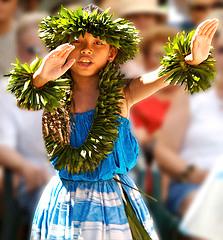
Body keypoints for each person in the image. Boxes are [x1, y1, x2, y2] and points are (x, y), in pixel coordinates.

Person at [6, 4, 218, 240]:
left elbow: (157, 77)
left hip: (112, 202)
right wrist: (42, 76)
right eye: (78, 42)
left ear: (112, 53)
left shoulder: (122, 94)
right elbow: (25, 95)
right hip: (65, 201)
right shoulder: (51, 91)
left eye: (98, 43)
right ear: (62, 48)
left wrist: (189, 60)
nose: (87, 50)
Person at [154, 16, 223, 240]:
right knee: (207, 208)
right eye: (222, 50)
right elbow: (163, 151)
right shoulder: (192, 94)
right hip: (194, 186)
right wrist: (196, 175)